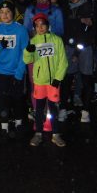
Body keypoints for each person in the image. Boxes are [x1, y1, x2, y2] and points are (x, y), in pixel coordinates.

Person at [23, 13, 68, 147]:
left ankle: (56, 134)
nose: (40, 28)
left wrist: (58, 78)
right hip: (40, 81)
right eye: (37, 26)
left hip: (53, 81)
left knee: (53, 108)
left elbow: (63, 61)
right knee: (39, 108)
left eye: (42, 24)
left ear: (48, 25)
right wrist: (28, 51)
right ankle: (38, 133)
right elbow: (27, 60)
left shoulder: (57, 40)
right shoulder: (33, 41)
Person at [0, 0, 30, 140]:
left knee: (18, 99)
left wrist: (19, 72)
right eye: (1, 12)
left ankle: (18, 123)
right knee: (4, 99)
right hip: (1, 72)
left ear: (13, 13)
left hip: (17, 71)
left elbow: (26, 53)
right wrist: (0, 46)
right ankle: (4, 126)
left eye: (7, 12)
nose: (4, 15)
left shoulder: (21, 30)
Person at [61, 0, 95, 123]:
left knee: (86, 78)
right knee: (67, 78)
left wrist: (77, 51)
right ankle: (63, 108)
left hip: (84, 47)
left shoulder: (88, 7)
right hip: (69, 46)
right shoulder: (66, 7)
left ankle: (85, 111)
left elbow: (88, 29)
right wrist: (77, 21)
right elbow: (66, 27)